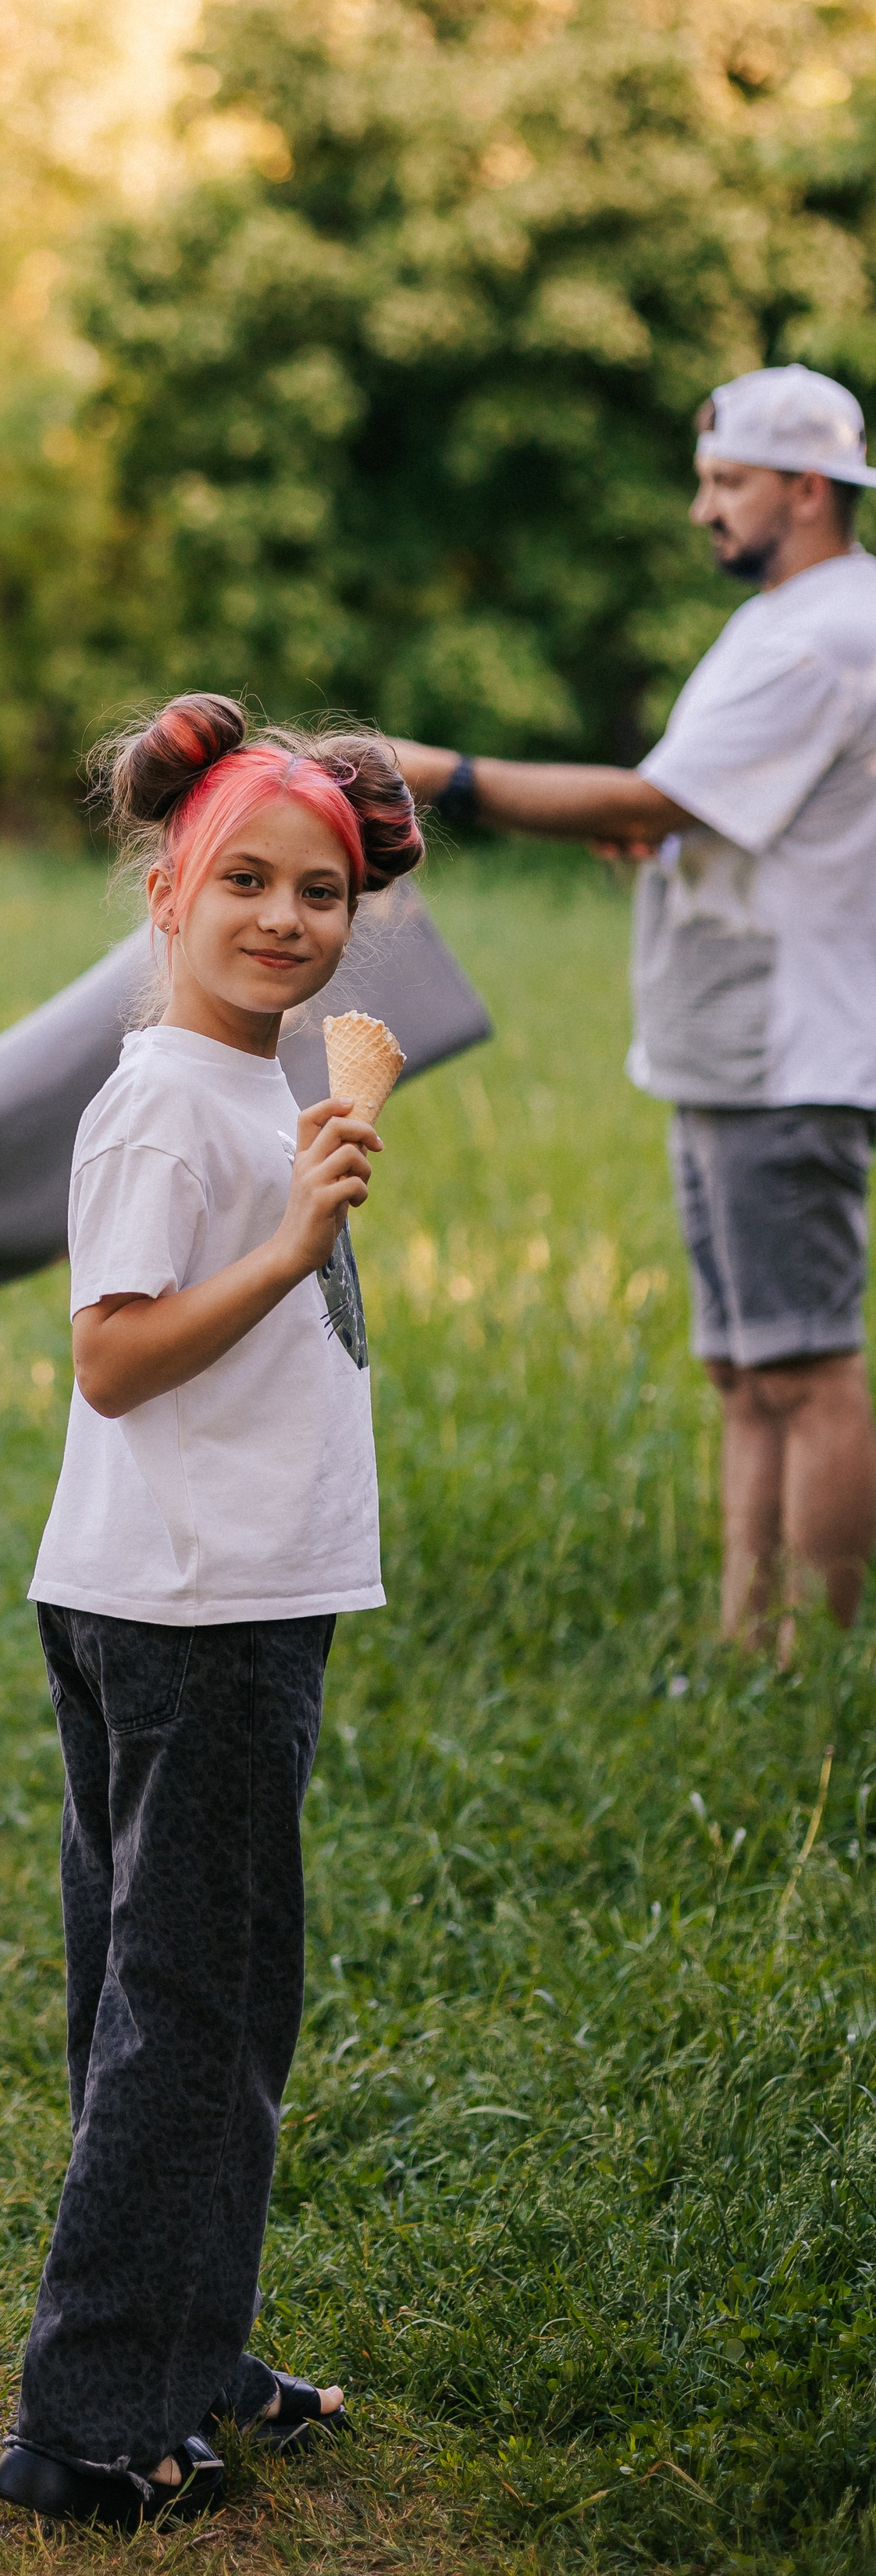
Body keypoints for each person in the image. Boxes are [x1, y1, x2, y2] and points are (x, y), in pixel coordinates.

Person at [0, 694, 423, 2535]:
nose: (281, 916)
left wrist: (304, 1157)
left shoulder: (243, 1082)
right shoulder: (166, 1100)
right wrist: (287, 1226)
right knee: (197, 2005)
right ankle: (89, 2421)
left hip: (179, 1590)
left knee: (171, 1998)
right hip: (197, 1611)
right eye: (240, 876)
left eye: (316, 889)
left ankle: (185, 2343)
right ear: (163, 881)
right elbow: (110, 1356)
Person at [386, 362, 876, 1668]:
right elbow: (697, 807)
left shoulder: (832, 629)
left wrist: (442, 775)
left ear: (809, 491)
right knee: (742, 1370)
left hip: (788, 1051)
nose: (705, 509)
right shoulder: (781, 618)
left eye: (730, 484)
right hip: (726, 1041)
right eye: (704, 482)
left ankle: (822, 1660)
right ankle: (747, 1642)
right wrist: (655, 831)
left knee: (810, 1368)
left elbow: (653, 799)